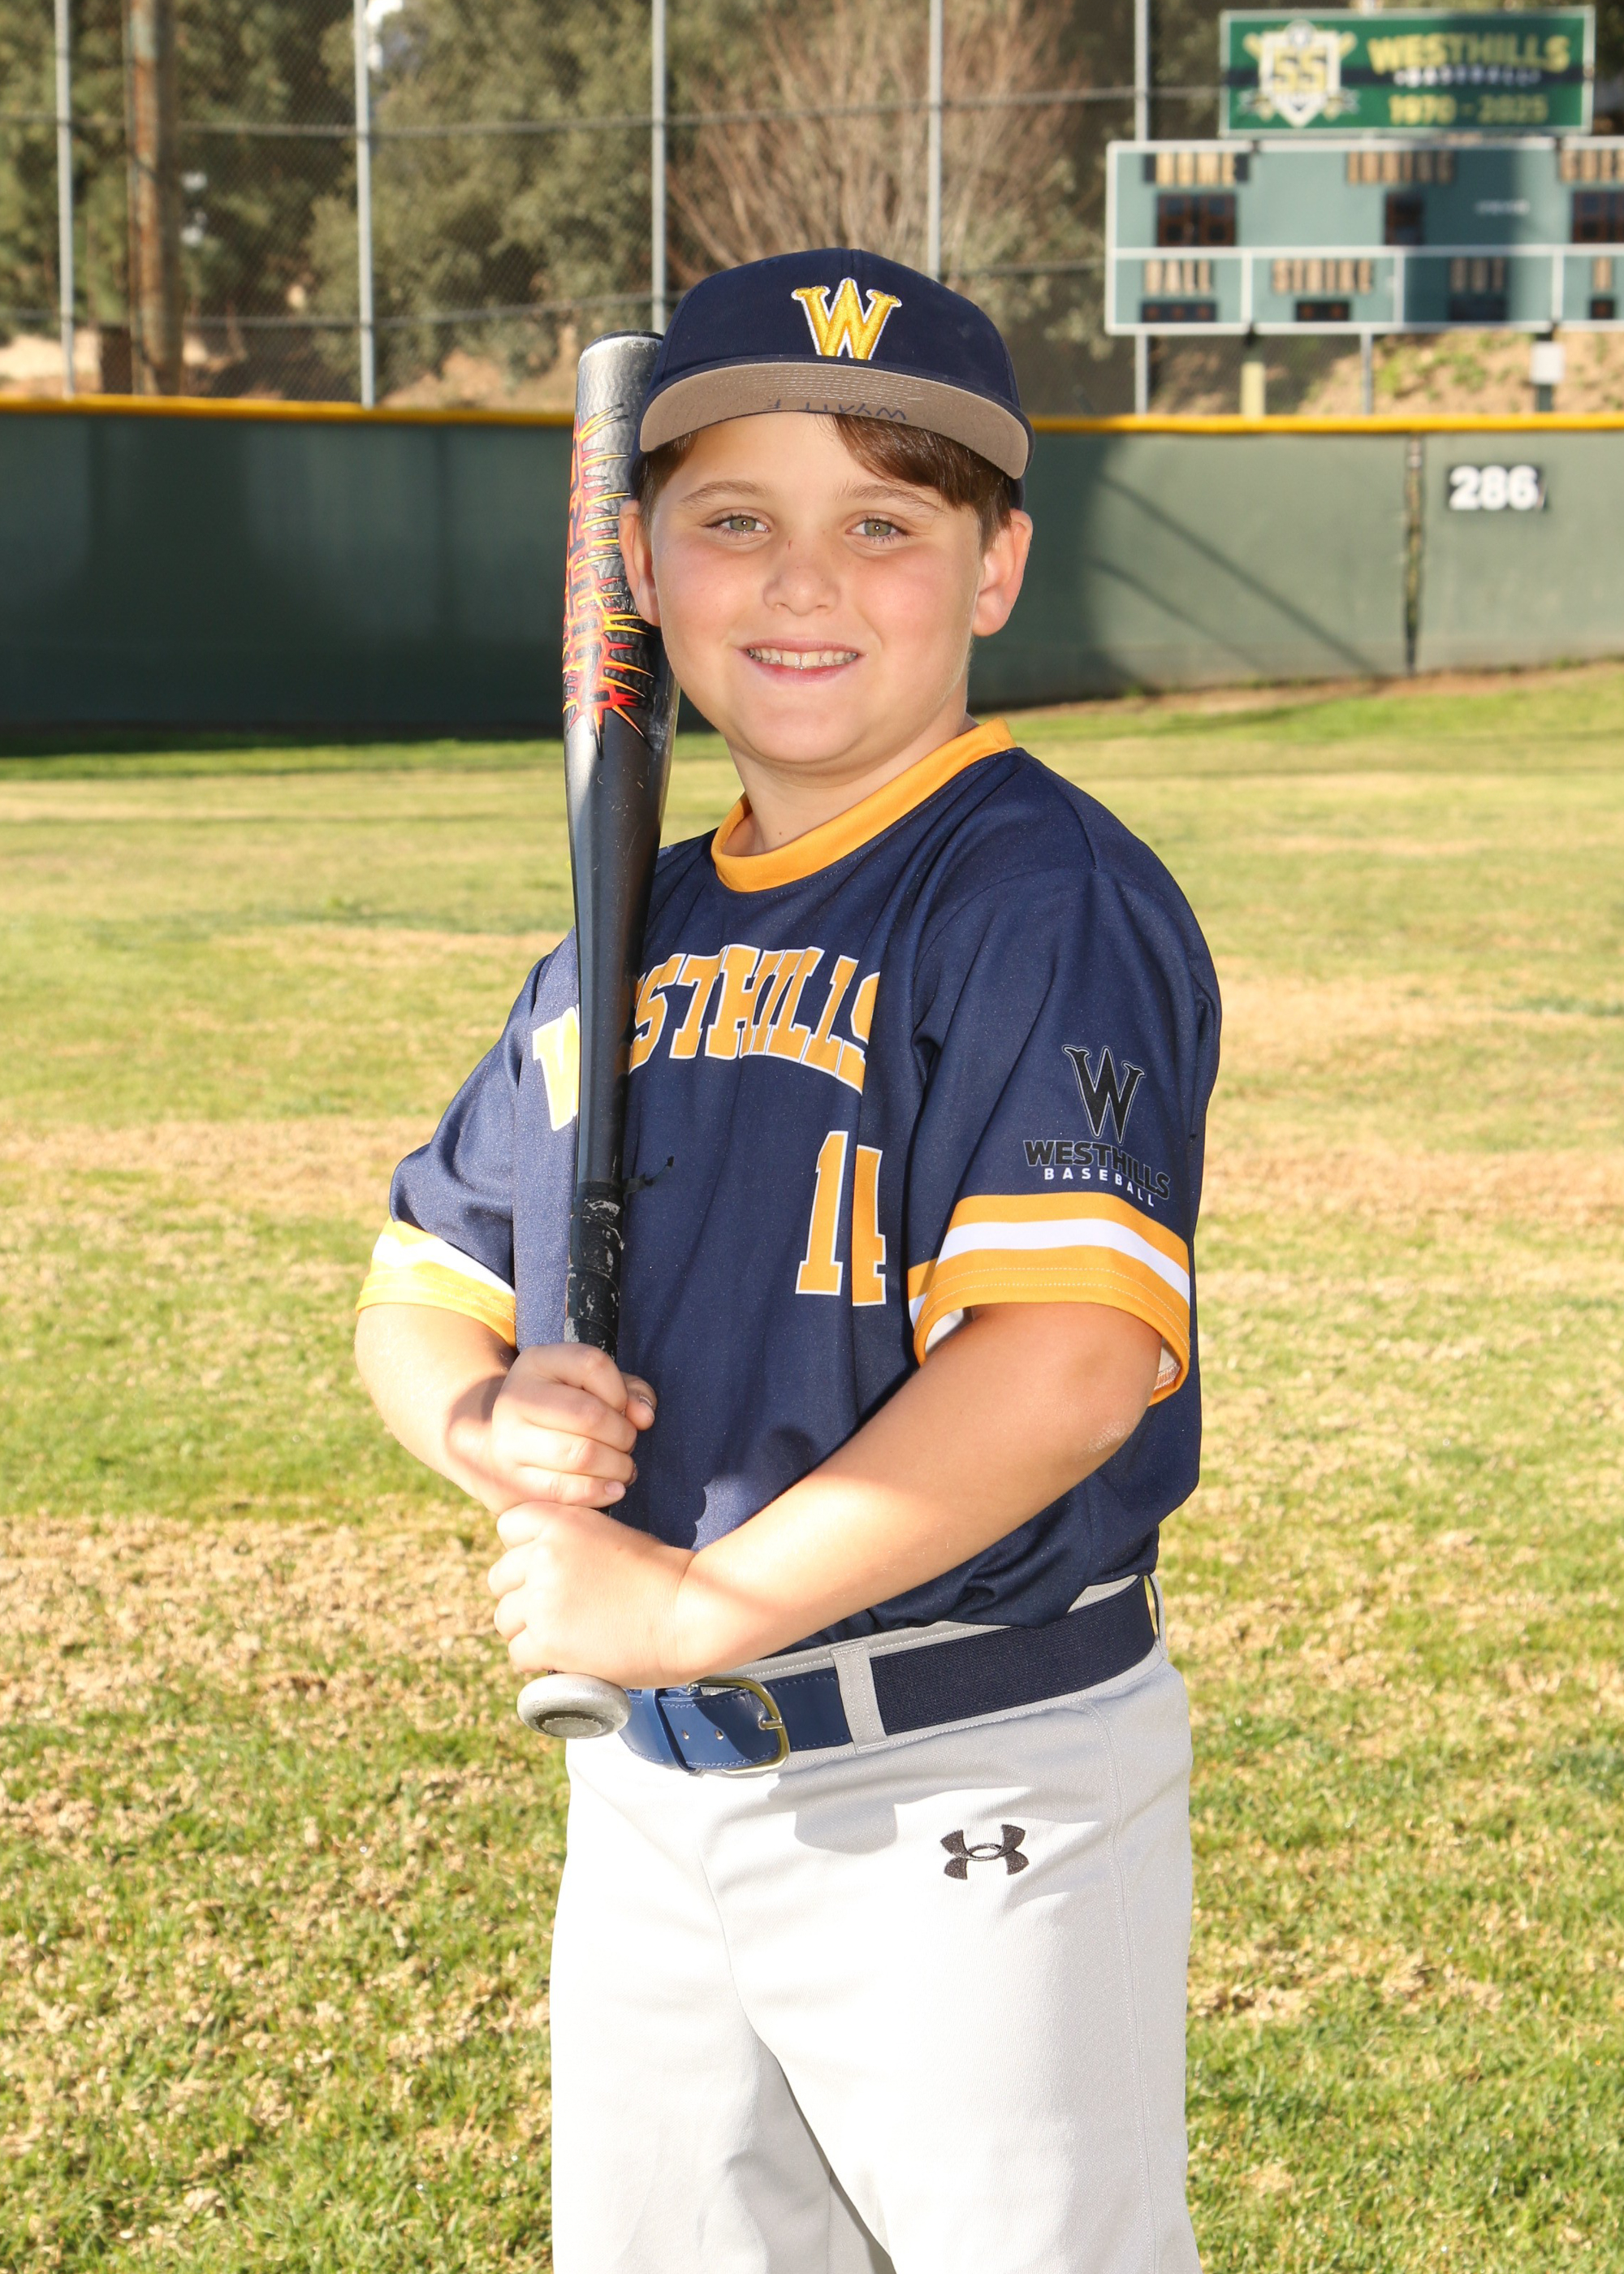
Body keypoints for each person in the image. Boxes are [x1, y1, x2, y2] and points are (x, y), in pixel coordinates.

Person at [355, 246, 1220, 2274]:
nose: (804, 578)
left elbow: (1067, 1365)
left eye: (885, 523)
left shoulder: (1037, 896)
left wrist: (696, 1597)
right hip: (656, 1790)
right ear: (637, 569)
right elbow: (419, 1289)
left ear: (997, 569)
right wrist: (493, 1421)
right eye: (735, 520)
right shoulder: (620, 937)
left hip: (969, 1768)